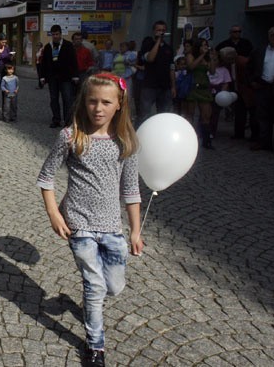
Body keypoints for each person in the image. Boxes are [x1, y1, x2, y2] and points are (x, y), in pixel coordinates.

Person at [37, 73, 143, 367]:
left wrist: (135, 230)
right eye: (92, 101)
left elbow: (131, 189)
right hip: (79, 225)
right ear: (83, 102)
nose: (98, 108)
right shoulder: (70, 136)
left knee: (114, 287)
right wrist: (54, 214)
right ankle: (96, 347)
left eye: (106, 102)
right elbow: (46, 178)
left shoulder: (126, 142)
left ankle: (90, 303)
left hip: (112, 228)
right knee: (94, 287)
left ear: (119, 104)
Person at [40, 25, 79, 128]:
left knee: (67, 99)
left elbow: (73, 61)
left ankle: (67, 121)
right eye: (53, 35)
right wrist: (42, 76)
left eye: (57, 34)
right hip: (52, 77)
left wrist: (75, 75)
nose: (55, 36)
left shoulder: (68, 45)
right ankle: (56, 119)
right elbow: (44, 62)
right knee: (54, 99)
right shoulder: (48, 47)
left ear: (60, 34)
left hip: (65, 77)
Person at [138, 21, 175, 125]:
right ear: (154, 31)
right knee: (145, 114)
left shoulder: (169, 49)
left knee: (164, 115)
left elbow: (171, 68)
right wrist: (158, 41)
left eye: (163, 30)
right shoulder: (147, 45)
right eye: (159, 30)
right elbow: (150, 58)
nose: (161, 32)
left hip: (165, 86)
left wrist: (173, 86)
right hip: (150, 85)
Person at [247, 26, 274, 152]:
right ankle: (264, 142)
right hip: (262, 87)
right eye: (272, 35)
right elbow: (249, 68)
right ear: (268, 36)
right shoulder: (259, 51)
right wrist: (252, 81)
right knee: (262, 117)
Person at [184, 38, 215, 149]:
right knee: (190, 114)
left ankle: (206, 141)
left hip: (204, 88)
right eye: (202, 45)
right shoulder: (190, 55)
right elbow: (191, 67)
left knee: (206, 115)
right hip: (193, 87)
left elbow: (212, 71)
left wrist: (211, 58)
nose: (204, 47)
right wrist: (201, 55)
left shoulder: (207, 57)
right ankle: (188, 139)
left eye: (206, 45)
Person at [208, 50, 232, 139]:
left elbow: (226, 83)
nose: (214, 61)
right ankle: (203, 130)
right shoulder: (207, 68)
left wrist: (222, 93)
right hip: (207, 91)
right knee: (205, 112)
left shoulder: (224, 70)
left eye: (215, 59)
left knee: (215, 113)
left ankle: (212, 131)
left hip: (218, 92)